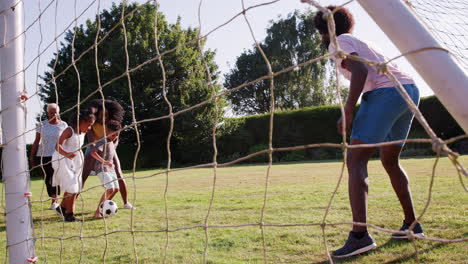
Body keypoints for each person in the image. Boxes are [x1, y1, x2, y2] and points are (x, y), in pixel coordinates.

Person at [313, 5, 423, 258]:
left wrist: (349, 109)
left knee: (356, 159)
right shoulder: (357, 40)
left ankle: (360, 236)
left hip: (385, 93)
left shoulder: (337, 42)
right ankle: (412, 225)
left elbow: (360, 71)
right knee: (389, 160)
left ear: (323, 31)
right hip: (408, 90)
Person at [82, 99, 135, 210]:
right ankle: (69, 202)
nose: (103, 117)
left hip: (109, 148)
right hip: (94, 147)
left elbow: (115, 140)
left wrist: (110, 151)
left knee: (119, 174)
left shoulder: (113, 123)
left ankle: (126, 202)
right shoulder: (92, 122)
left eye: (106, 115)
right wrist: (97, 150)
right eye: (101, 115)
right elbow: (91, 141)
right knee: (83, 175)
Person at [52, 110, 95, 222]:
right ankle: (69, 215)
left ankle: (61, 208)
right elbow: (57, 146)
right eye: (89, 124)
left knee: (76, 185)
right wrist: (67, 154)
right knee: (72, 187)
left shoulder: (83, 133)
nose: (89, 127)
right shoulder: (69, 130)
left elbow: (78, 146)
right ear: (81, 121)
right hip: (62, 159)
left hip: (74, 160)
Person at [30, 103, 68, 210]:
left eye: (55, 112)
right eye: (51, 112)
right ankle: (54, 200)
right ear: (47, 113)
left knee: (56, 177)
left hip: (58, 155)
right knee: (48, 178)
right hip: (44, 156)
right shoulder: (41, 125)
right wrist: (32, 157)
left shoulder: (63, 125)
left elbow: (66, 142)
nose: (53, 114)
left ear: (58, 112)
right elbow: (36, 141)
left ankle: (55, 201)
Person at [90, 120, 121, 218]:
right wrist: (105, 162)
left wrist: (111, 163)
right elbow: (93, 153)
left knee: (116, 189)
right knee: (110, 188)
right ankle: (97, 212)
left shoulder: (112, 141)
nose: (115, 137)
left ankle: (104, 207)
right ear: (107, 131)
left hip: (110, 169)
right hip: (101, 168)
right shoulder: (103, 140)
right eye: (113, 135)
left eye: (117, 135)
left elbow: (109, 155)